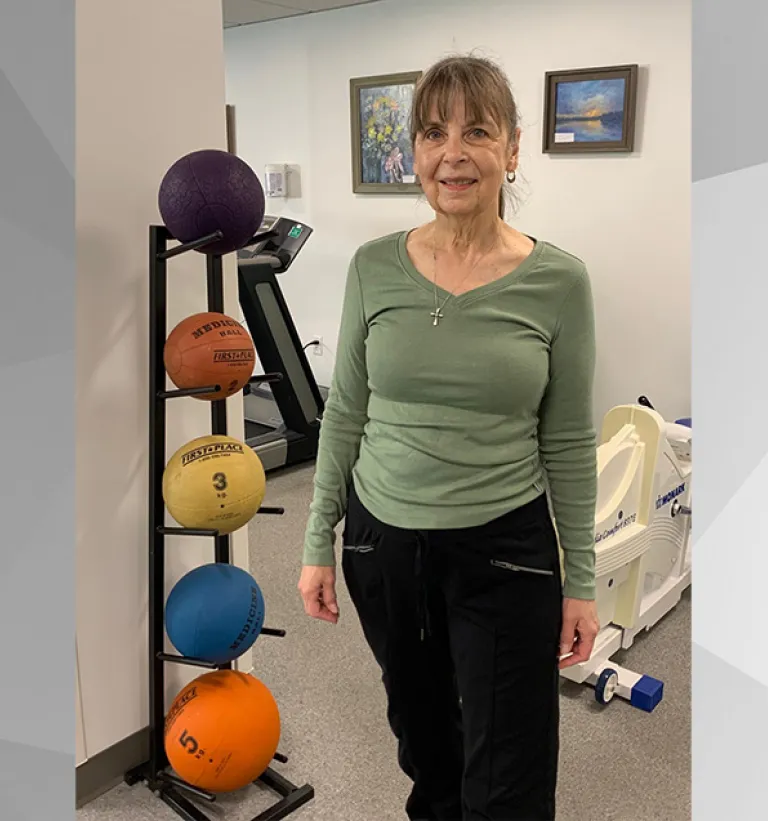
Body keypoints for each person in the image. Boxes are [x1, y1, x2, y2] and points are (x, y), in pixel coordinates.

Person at [298, 54, 600, 821]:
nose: (452, 153)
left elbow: (566, 440)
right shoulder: (372, 267)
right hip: (384, 545)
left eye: (476, 131)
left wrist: (582, 579)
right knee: (427, 749)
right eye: (433, 132)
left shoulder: (559, 282)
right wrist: (315, 540)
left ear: (513, 148)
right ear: (415, 151)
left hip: (505, 548)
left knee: (512, 770)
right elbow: (346, 413)